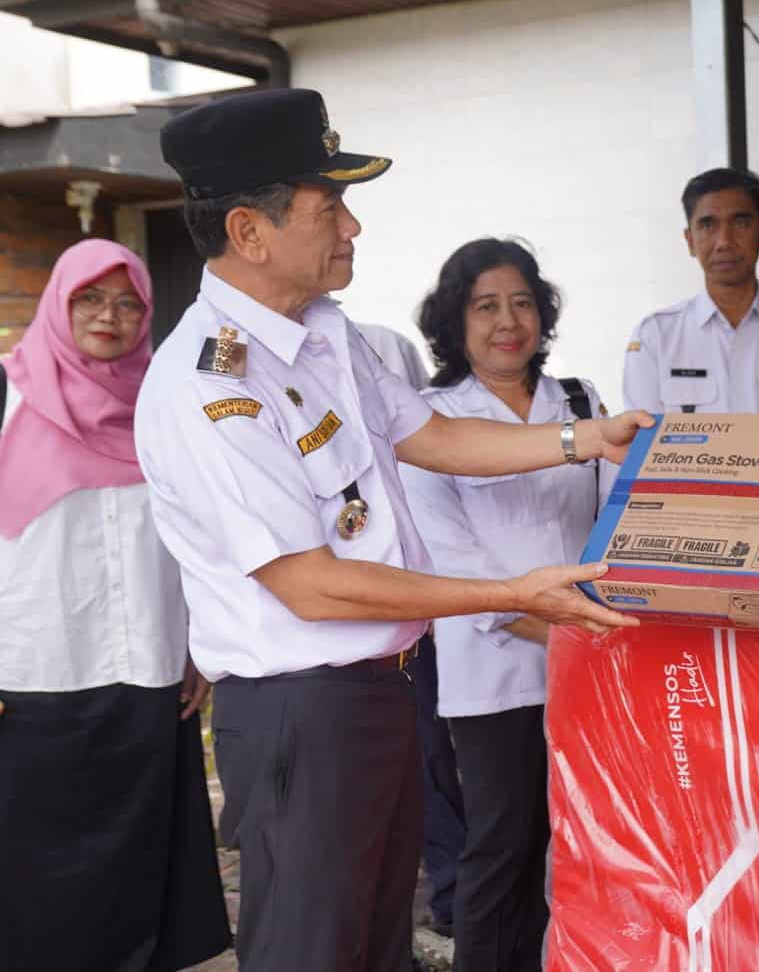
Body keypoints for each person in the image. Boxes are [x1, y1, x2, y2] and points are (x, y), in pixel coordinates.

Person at [132, 88, 646, 972]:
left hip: (376, 692)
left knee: (375, 947)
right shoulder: (209, 383)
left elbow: (431, 435)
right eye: (328, 208)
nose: (353, 227)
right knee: (311, 951)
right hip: (302, 711)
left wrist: (581, 438)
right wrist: (512, 593)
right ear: (250, 232)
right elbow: (312, 584)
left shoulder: (323, 333)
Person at [0, 239, 231, 972]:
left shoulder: (162, 405)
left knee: (138, 869)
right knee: (34, 876)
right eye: (91, 299)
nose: (110, 315)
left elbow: (198, 535)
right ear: (58, 304)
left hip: (148, 669)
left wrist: (198, 643)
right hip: (32, 675)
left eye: (129, 302)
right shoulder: (7, 396)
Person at [400, 237, 616, 972]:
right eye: (485, 306)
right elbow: (453, 560)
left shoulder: (580, 404)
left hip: (591, 664)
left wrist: (596, 633)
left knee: (585, 842)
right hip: (493, 672)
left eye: (522, 302)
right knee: (504, 844)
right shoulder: (430, 420)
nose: (507, 321)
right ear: (454, 321)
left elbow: (614, 521)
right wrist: (567, 630)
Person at [354, 318, 469, 940]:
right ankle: (441, 894)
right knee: (416, 760)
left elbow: (430, 441)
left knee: (437, 755)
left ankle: (451, 890)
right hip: (350, 618)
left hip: (423, 610)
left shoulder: (378, 347)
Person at [623, 168, 759, 414]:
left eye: (741, 223)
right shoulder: (656, 337)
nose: (724, 241)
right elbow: (645, 435)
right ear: (690, 240)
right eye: (707, 225)